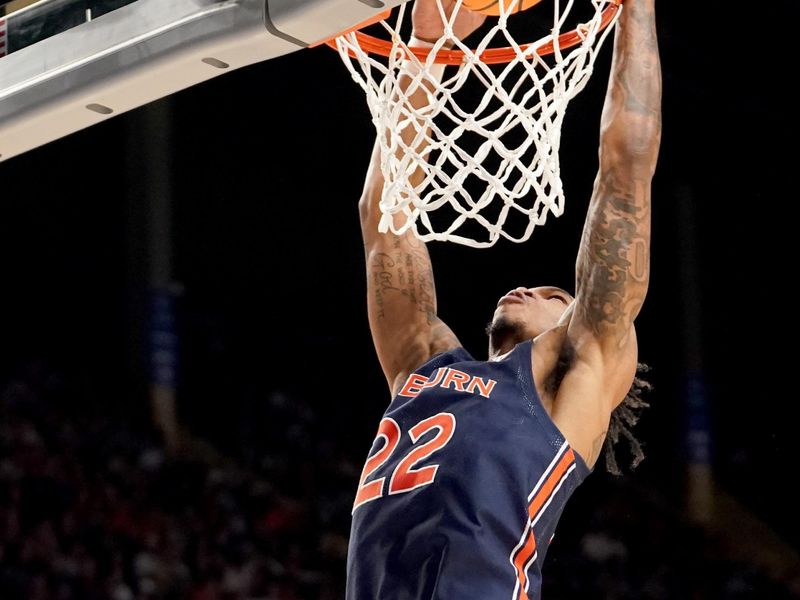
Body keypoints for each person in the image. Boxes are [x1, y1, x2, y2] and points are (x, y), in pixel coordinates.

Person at [346, 0, 661, 596]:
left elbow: (625, 175)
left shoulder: (569, 386)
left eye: (553, 294)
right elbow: (383, 220)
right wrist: (425, 52)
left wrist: (637, 12)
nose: (528, 288)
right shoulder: (424, 366)